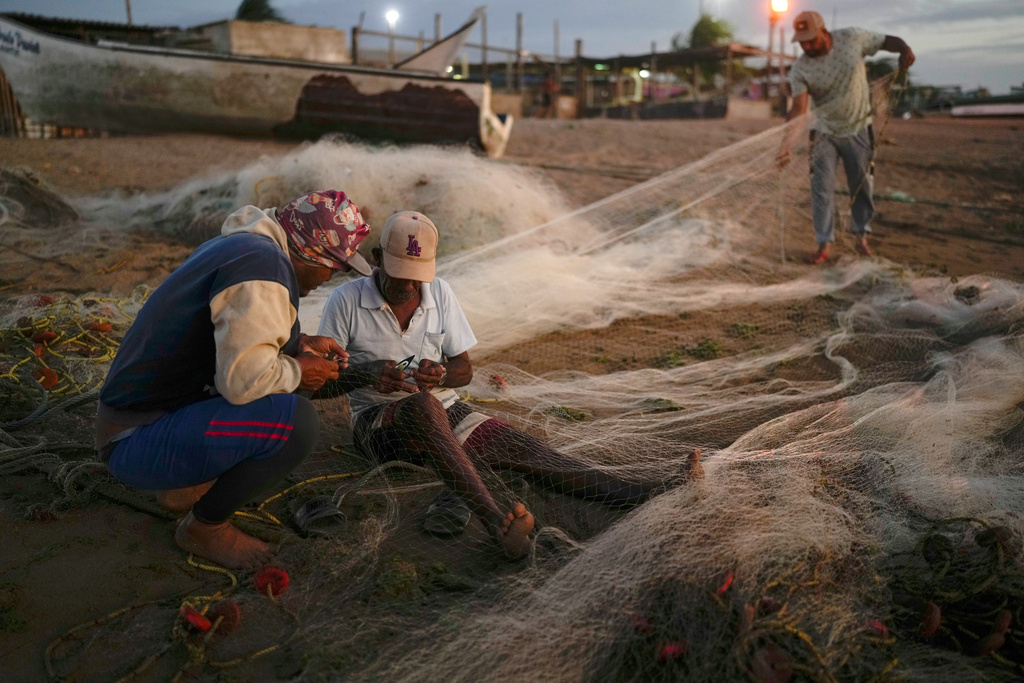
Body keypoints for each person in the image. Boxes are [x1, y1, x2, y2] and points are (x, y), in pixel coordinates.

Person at [317, 211, 685, 560]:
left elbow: (464, 369)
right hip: (378, 427)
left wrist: (441, 374)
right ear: (377, 257)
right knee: (423, 407)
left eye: (417, 277)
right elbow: (319, 386)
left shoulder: (440, 294)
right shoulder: (346, 301)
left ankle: (637, 493)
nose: (408, 286)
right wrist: (368, 374)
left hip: (446, 411)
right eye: (398, 274)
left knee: (530, 451)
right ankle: (496, 524)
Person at [95, 190, 372, 569]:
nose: (329, 280)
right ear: (310, 253)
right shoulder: (263, 270)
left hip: (136, 420)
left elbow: (227, 335)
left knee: (288, 388)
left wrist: (299, 344)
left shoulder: (248, 246)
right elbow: (242, 382)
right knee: (297, 421)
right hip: (133, 442)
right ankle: (204, 528)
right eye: (333, 268)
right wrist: (299, 370)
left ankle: (183, 485)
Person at [775, 11, 915, 265]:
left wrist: (903, 48)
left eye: (811, 40)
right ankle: (823, 243)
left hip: (858, 127)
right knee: (821, 188)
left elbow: (887, 41)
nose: (806, 46)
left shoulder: (853, 38)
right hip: (823, 132)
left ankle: (860, 237)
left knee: (861, 186)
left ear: (824, 32)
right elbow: (798, 110)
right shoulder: (800, 69)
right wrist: (786, 145)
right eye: (802, 42)